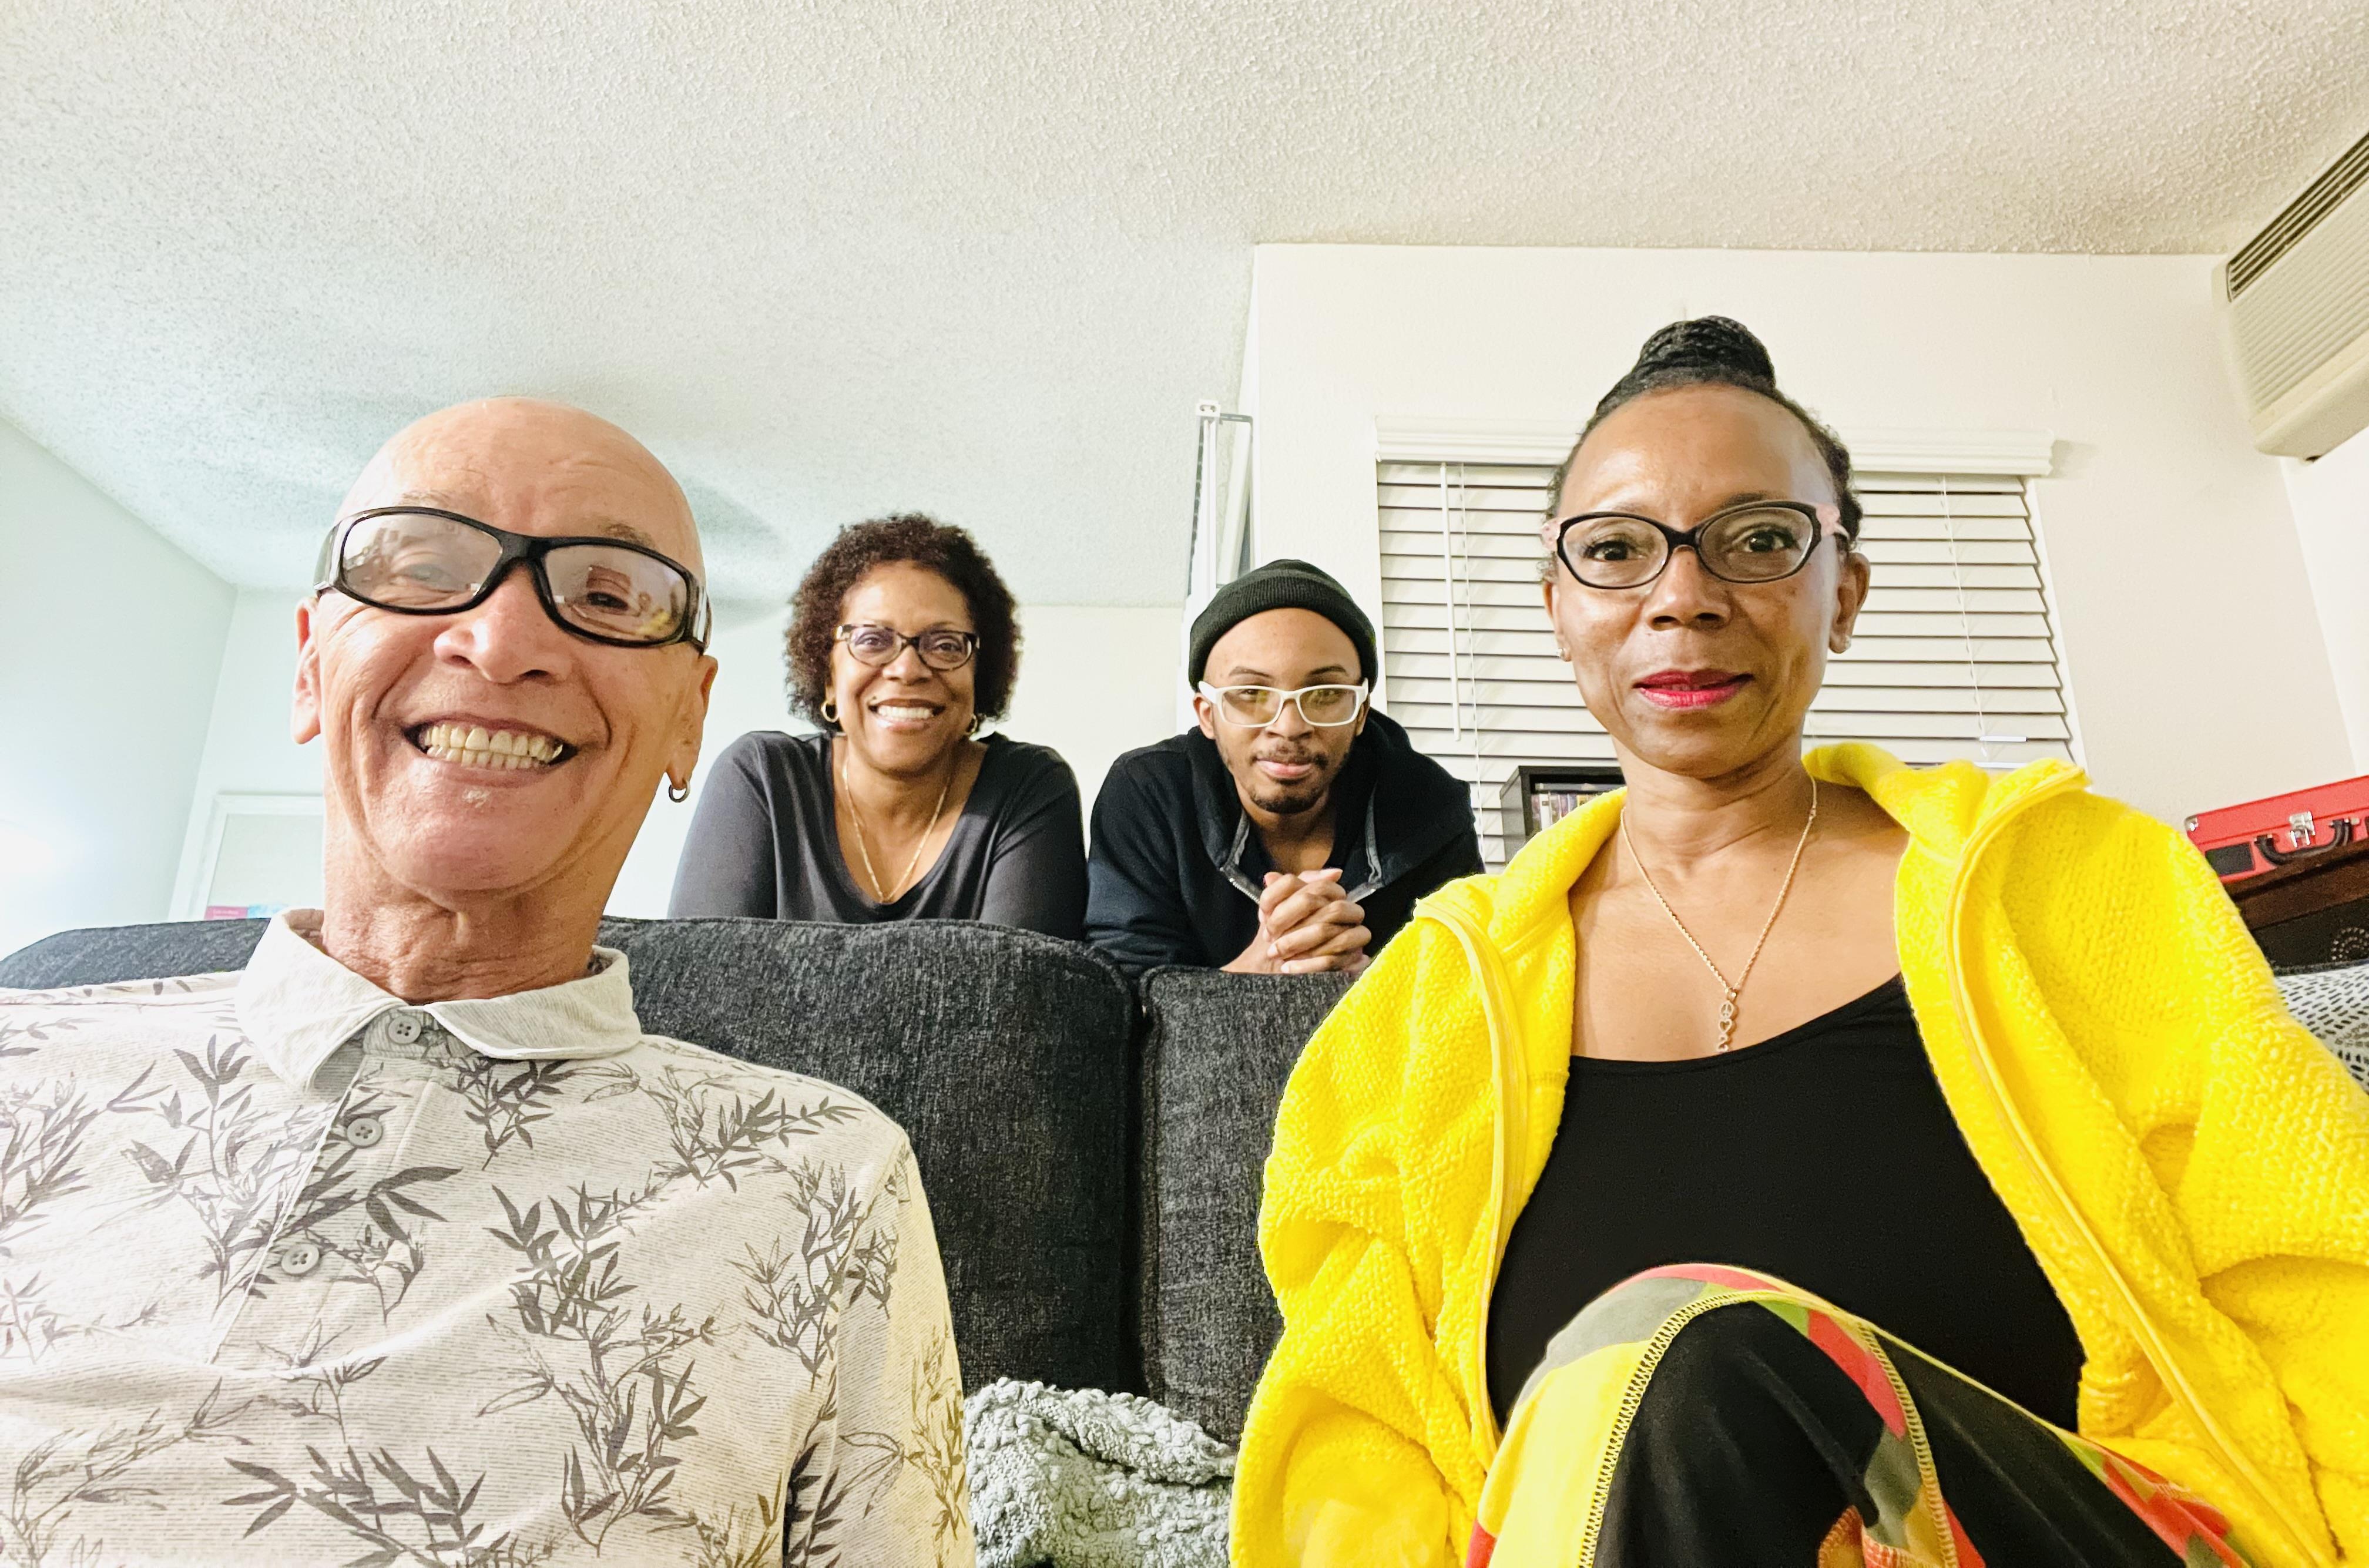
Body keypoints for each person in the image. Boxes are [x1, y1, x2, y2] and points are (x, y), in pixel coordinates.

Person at [1232, 320, 2369, 1568]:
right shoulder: (1421, 1013)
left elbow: (2318, 1269)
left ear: (1847, 591)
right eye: (1616, 551)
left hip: (2090, 1536)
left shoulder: (2085, 886)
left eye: (1761, 541)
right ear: (1559, 611)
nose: (1683, 595)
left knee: (1698, 1348)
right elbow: (1358, 1445)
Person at [0, 400, 974, 1568]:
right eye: (422, 567)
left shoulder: (832, 1173)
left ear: (687, 719)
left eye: (609, 597)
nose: (502, 639)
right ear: (311, 665)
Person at [668, 513, 1086, 935]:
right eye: (872, 640)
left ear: (981, 674)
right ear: (828, 676)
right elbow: (704, 983)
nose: (907, 669)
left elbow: (1020, 992)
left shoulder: (1028, 790)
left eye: (945, 645)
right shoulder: (764, 778)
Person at [1087, 558, 1482, 973]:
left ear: (1361, 712)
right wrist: (1271, 962)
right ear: (1207, 715)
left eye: (1325, 694)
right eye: (1252, 693)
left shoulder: (1430, 809)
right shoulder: (1150, 796)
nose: (1289, 727)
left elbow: (1469, 993)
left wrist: (1365, 984)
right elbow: (1125, 1008)